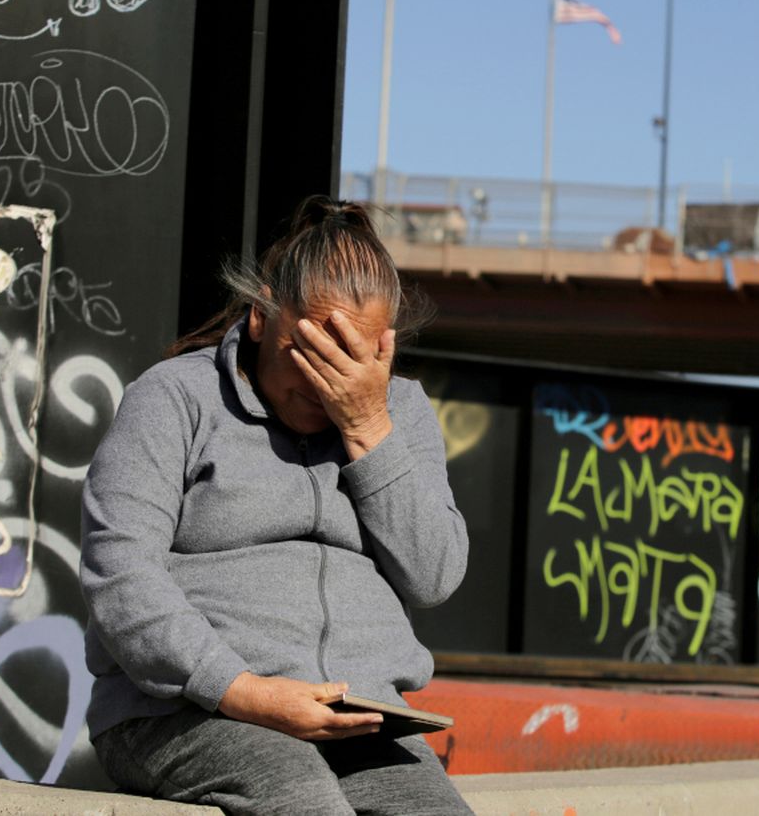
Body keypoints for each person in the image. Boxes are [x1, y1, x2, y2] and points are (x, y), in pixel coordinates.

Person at [80, 196, 472, 815]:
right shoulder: (174, 398)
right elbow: (121, 570)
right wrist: (241, 691)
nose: (326, 384)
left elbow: (434, 576)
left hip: (358, 722)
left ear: (383, 349)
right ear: (263, 316)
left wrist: (369, 427)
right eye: (309, 352)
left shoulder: (399, 412)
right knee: (298, 797)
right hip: (185, 711)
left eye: (350, 360)